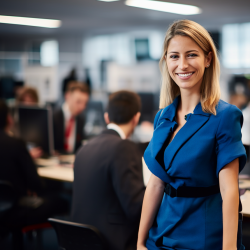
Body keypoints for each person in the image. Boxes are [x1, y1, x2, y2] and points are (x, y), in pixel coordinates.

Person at [137, 20, 247, 250]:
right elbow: (156, 184)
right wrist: (140, 241)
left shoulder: (225, 116)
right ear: (166, 60)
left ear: (208, 59)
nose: (182, 64)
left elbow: (229, 191)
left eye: (191, 55)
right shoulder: (163, 117)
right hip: (161, 232)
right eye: (174, 56)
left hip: (202, 235)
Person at [71, 90, 145, 250]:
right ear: (136, 118)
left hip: (79, 240)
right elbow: (136, 208)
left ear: (106, 117)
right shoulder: (124, 147)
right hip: (111, 242)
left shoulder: (84, 148)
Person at [0, 100, 68, 249]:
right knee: (63, 200)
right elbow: (36, 184)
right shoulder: (15, 144)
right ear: (9, 119)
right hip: (15, 211)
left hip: (5, 209)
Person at [53, 83, 89, 154]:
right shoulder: (53, 117)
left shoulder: (80, 120)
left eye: (85, 103)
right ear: (67, 96)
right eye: (78, 102)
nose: (82, 107)